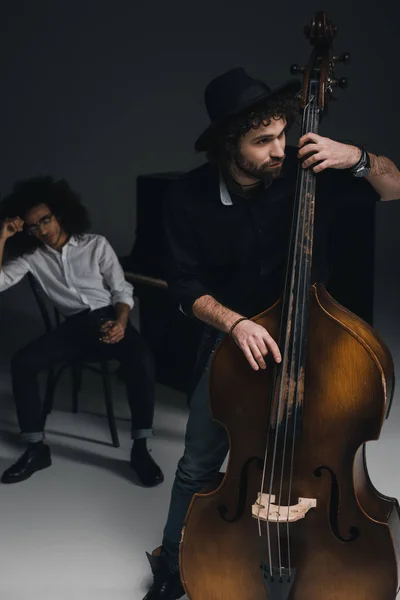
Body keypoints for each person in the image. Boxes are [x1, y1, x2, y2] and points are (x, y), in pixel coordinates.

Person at [142, 67, 400, 600]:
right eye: (263, 141)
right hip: (235, 340)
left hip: (319, 340)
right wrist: (234, 323)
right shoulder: (187, 197)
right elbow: (183, 285)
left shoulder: (308, 170)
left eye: (282, 133)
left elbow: (396, 186)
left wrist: (356, 158)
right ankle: (172, 565)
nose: (281, 149)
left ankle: (315, 547)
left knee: (328, 447)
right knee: (197, 462)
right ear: (225, 145)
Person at [0, 177, 164, 487]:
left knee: (142, 357)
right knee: (22, 363)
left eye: (45, 219)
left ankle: (140, 449)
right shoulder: (31, 257)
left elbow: (120, 290)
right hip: (75, 328)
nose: (42, 230)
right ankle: (36, 449)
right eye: (33, 226)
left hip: (109, 319)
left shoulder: (95, 244)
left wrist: (121, 323)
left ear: (59, 213)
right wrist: (3, 237)